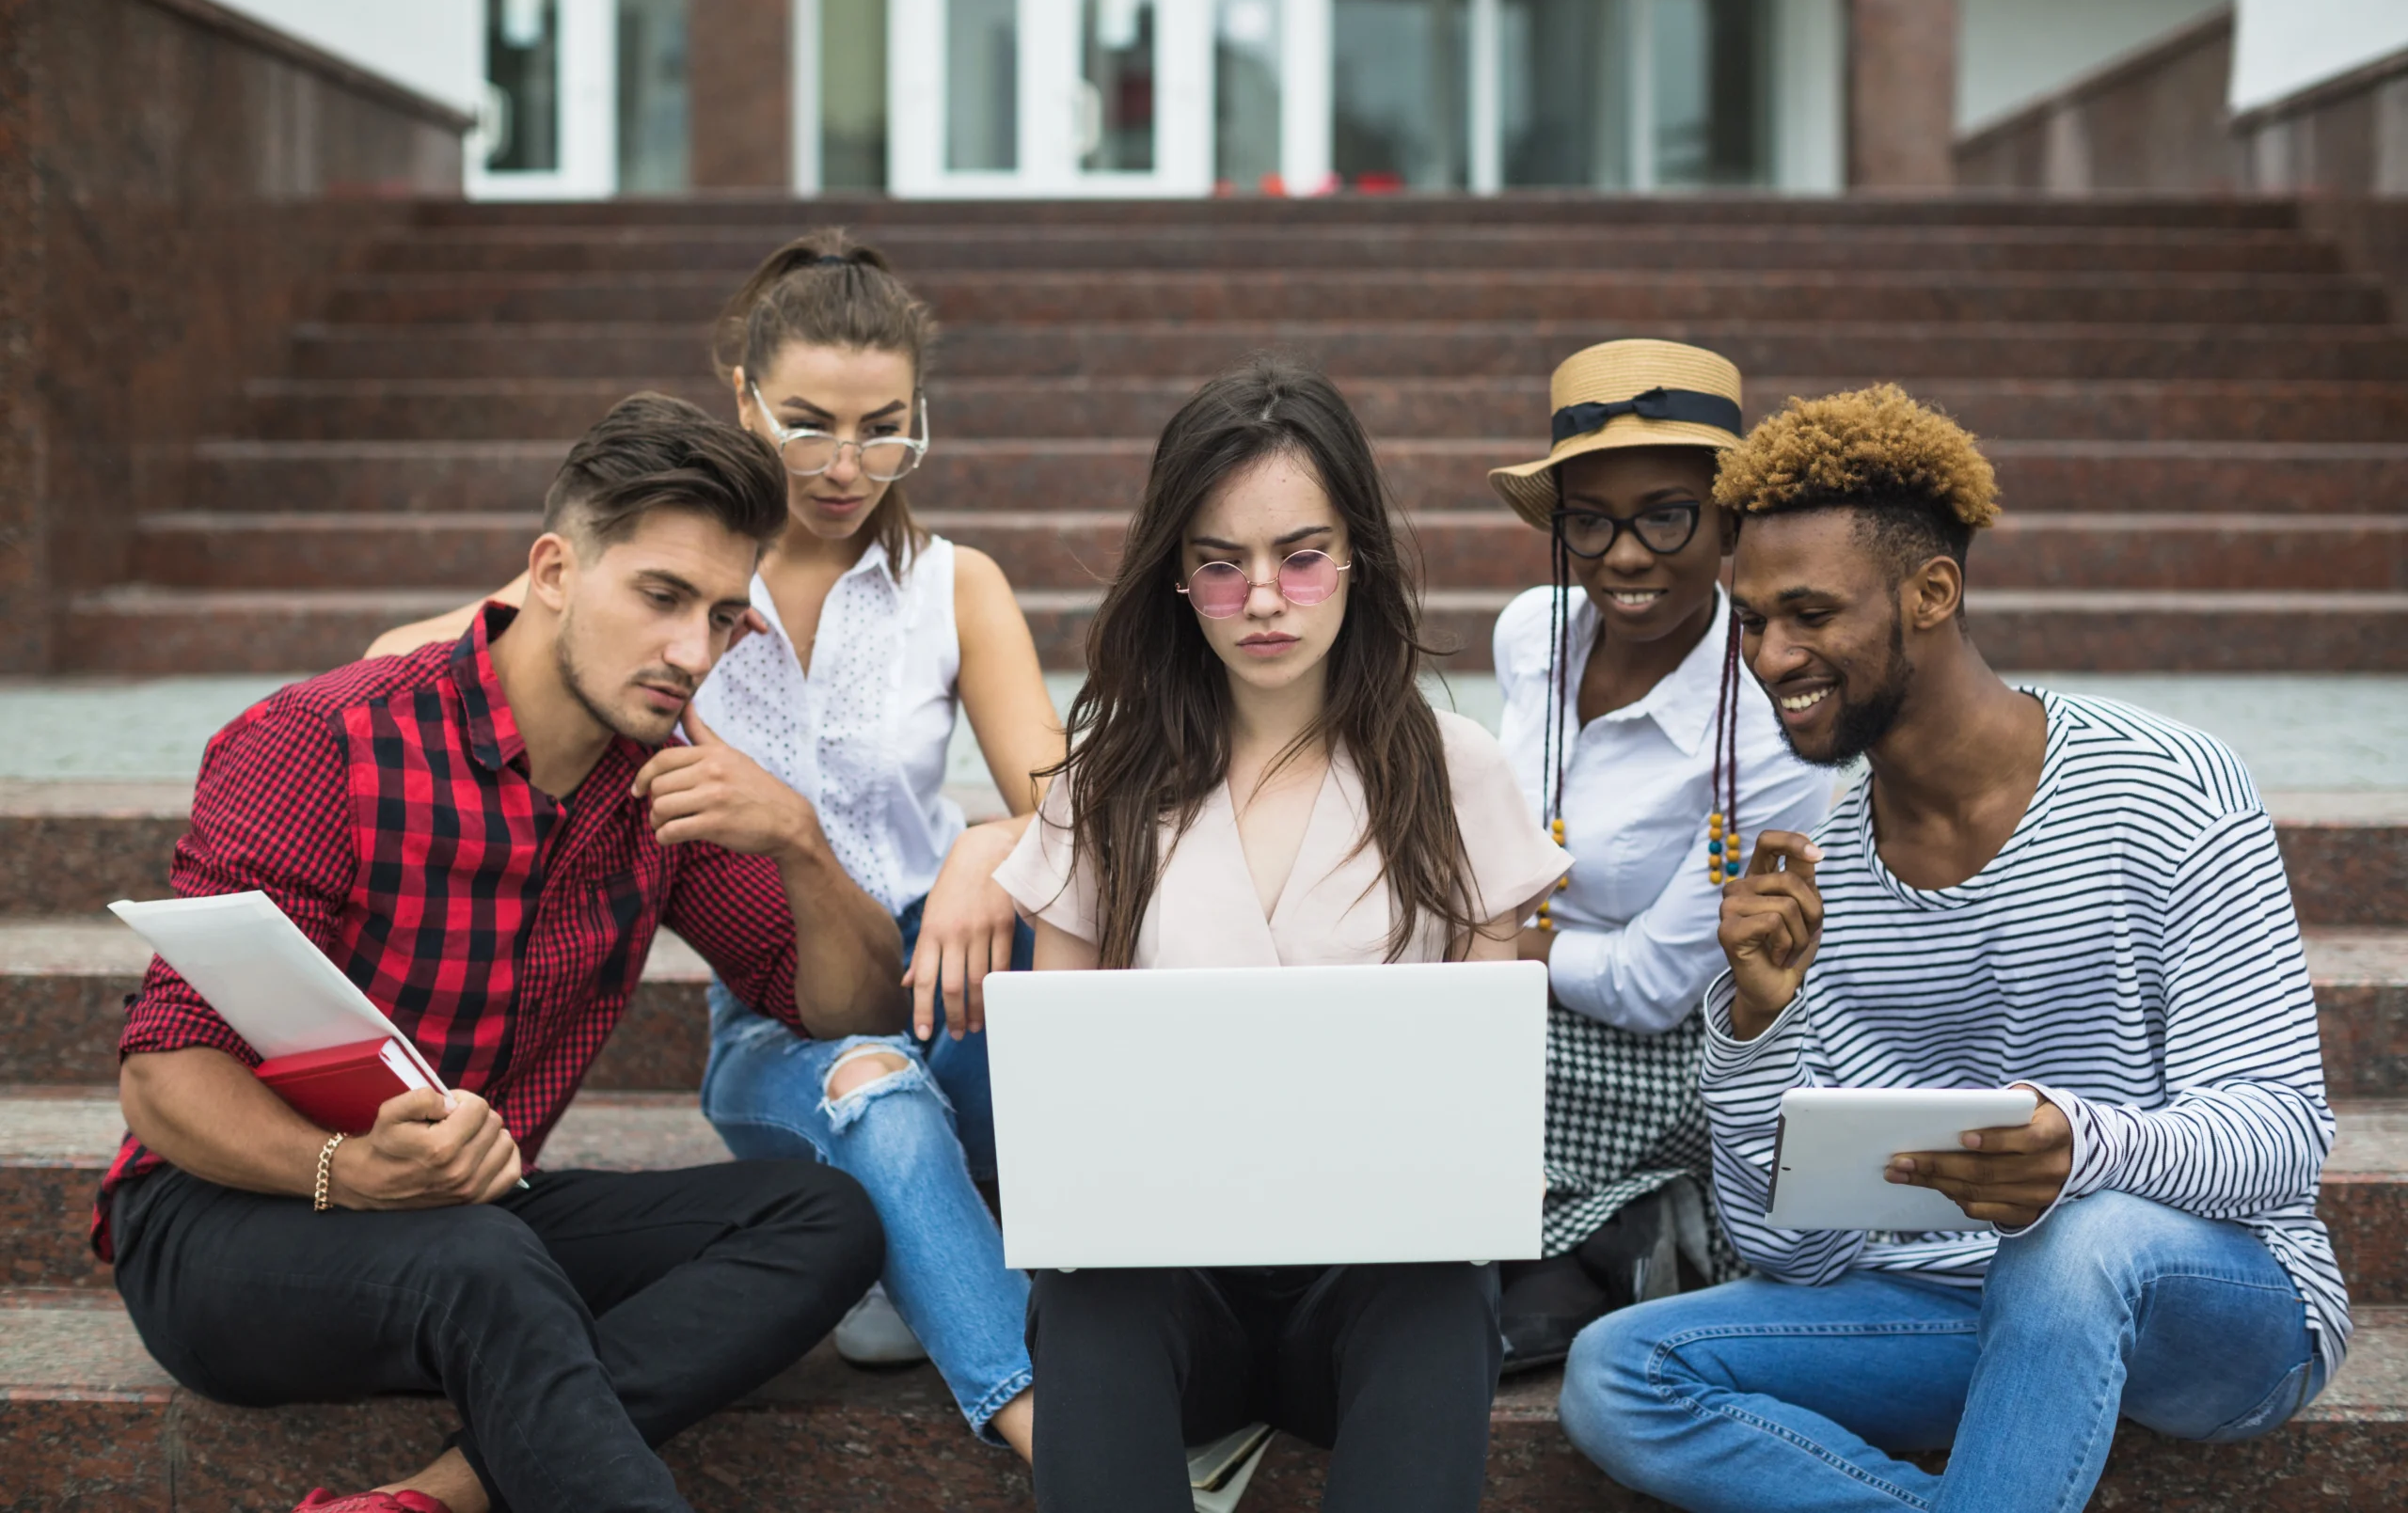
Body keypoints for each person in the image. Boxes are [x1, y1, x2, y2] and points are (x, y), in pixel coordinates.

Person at [1560, 385, 2347, 1513]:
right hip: (1948, 1318)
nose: (1771, 656)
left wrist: (2076, 1150)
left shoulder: (2165, 786)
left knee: (2072, 1242)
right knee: (1620, 1371)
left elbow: (2279, 1138)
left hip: (2214, 1312)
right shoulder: (1823, 871)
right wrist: (1752, 1029)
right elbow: (1798, 1260)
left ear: (1932, 593)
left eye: (1810, 615)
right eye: (1749, 619)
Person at [103, 394, 895, 1513]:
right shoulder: (327, 740)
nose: (691, 652)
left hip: (466, 1214)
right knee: (487, 1264)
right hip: (228, 1223)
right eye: (660, 596)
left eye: (723, 618)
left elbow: (842, 1007)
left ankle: (437, 1495)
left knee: (825, 1217)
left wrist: (802, 845)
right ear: (556, 571)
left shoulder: (662, 783)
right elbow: (163, 1073)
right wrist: (348, 1174)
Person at [366, 231, 1065, 1458]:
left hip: (951, 971)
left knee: (1075, 1036)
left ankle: (926, 1254)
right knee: (871, 1088)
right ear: (739, 393)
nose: (847, 465)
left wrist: (984, 845)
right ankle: (1060, 1436)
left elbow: (1071, 805)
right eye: (805, 422)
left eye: (883, 426)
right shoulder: (684, 582)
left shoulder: (956, 584)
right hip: (779, 1005)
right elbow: (399, 660)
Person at [990, 355, 1574, 1513]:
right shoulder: (1102, 785)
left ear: (1356, 557)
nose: (1263, 598)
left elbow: (1476, 1107)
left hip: (1366, 1303)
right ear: (1176, 578)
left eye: (1301, 558)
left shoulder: (1458, 775)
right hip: (1169, 1300)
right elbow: (1062, 1103)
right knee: (1089, 1291)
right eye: (1221, 565)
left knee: (1441, 1288)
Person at [1483, 339, 1829, 1370]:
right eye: (1589, 521)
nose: (1623, 556)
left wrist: (1505, 947)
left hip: (1661, 1047)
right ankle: (1586, 1247)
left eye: (1665, 516)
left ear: (1728, 522)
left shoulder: (1769, 731)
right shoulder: (1531, 636)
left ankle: (1613, 1229)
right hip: (1509, 982)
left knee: (1442, 1075)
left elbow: (1649, 985)